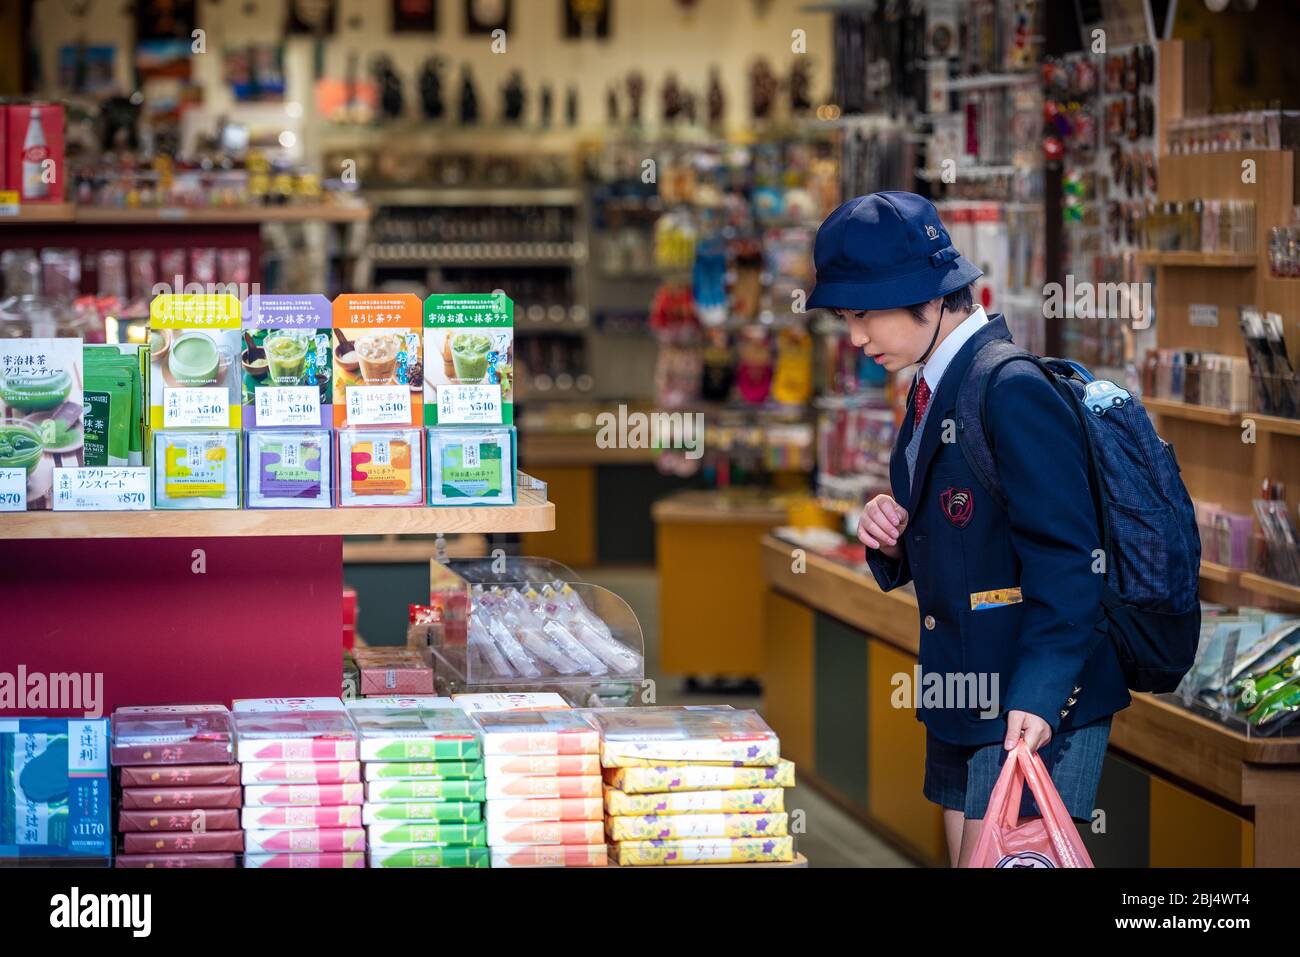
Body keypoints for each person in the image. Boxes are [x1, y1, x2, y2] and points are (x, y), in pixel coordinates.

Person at [806, 192, 1130, 867]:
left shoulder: (1008, 387)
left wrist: (1040, 697)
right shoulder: (931, 385)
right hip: (961, 694)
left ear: (924, 295)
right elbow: (956, 532)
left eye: (864, 315)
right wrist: (890, 534)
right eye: (845, 318)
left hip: (1030, 706)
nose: (857, 338)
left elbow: (1072, 557)